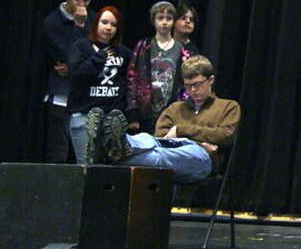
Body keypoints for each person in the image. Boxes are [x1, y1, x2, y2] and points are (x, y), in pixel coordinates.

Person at [85, 55, 240, 185]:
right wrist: (204, 138)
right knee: (148, 141)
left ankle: (106, 152)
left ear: (211, 80)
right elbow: (161, 136)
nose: (193, 90)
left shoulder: (228, 106)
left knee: (160, 157)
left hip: (203, 160)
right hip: (169, 148)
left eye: (198, 84)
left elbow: (226, 135)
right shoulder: (175, 108)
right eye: (188, 86)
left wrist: (180, 130)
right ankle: (118, 144)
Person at [42, 0, 97, 163]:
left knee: (85, 147)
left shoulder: (94, 18)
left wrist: (74, 68)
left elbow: (98, 53)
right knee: (59, 147)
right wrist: (79, 26)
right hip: (61, 93)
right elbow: (66, 53)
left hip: (86, 92)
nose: (82, 4)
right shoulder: (53, 21)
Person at [67, 6, 132, 164]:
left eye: (114, 25)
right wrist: (99, 57)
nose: (108, 28)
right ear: (96, 23)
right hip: (84, 115)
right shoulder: (81, 47)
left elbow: (129, 83)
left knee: (112, 169)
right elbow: (77, 74)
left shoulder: (124, 53)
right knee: (87, 167)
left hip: (112, 119)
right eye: (104, 22)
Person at [125, 1, 195, 135]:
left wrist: (185, 113)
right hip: (145, 113)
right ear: (153, 21)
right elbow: (132, 78)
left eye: (169, 19)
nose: (164, 22)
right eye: (160, 18)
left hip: (173, 114)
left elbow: (187, 83)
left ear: (174, 21)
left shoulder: (183, 50)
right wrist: (132, 113)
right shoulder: (143, 46)